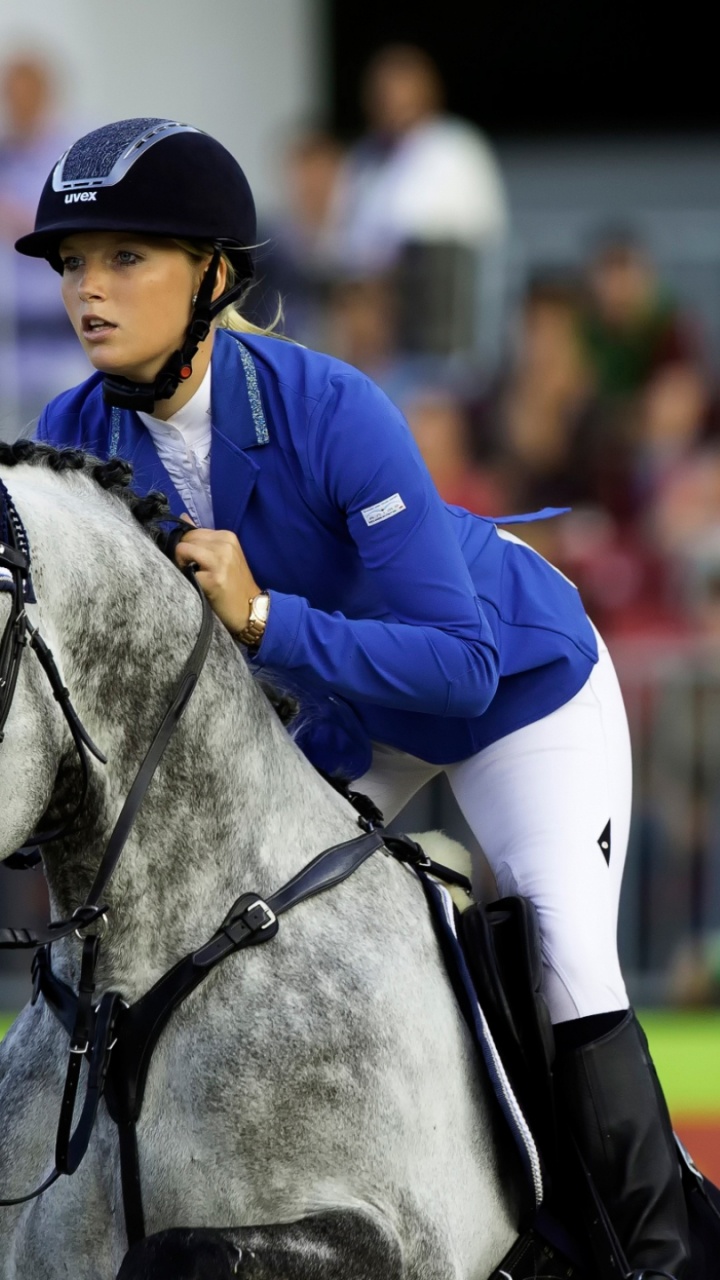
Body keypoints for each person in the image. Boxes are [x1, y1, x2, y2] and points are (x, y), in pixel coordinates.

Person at [15, 116, 690, 1277]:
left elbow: (460, 665)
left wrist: (268, 618)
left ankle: (661, 1250)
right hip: (344, 718)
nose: (89, 289)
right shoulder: (75, 437)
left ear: (214, 274)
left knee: (567, 956)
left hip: (515, 693)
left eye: (127, 258)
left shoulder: (331, 408)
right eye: (75, 263)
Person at [0, 50, 89, 438]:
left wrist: (21, 220)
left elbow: (83, 227)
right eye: (11, 94)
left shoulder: (74, 154)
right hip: (11, 345)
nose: (18, 104)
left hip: (62, 344)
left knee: (65, 447)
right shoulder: (5, 156)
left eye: (26, 93)